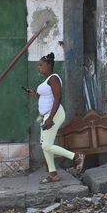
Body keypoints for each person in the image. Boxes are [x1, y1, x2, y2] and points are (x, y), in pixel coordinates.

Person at [24, 53, 85, 183]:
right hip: (47, 115)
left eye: (41, 65)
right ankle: (53, 174)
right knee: (45, 145)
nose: (38, 67)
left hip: (54, 114)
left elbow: (57, 98)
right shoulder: (47, 80)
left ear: (49, 65)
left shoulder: (54, 79)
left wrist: (50, 118)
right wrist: (34, 93)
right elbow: (46, 95)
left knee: (46, 145)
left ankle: (76, 156)